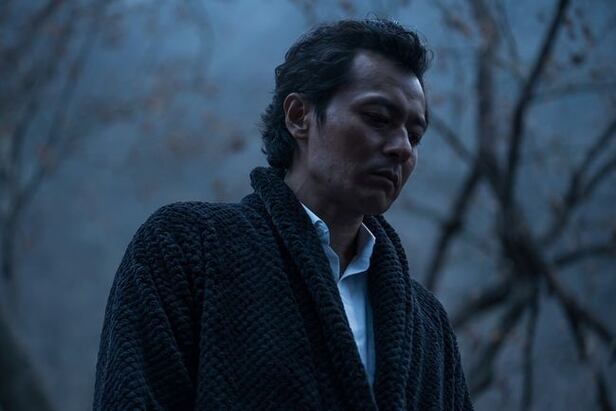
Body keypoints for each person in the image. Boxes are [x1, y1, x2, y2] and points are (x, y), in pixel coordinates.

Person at [94, 18, 473, 410]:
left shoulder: (429, 325)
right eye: (378, 118)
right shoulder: (185, 248)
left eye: (415, 135)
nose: (403, 148)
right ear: (298, 115)